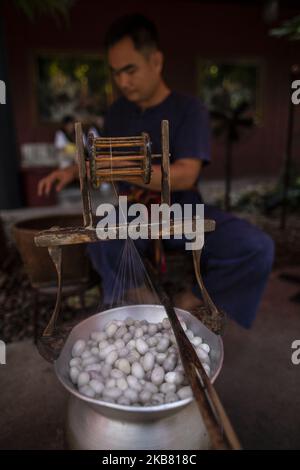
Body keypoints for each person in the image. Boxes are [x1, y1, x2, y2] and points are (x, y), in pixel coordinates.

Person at [38, 14, 274, 328]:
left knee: (255, 247)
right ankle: (147, 308)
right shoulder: (118, 112)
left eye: (130, 69)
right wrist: (73, 170)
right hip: (131, 211)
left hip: (182, 209)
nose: (122, 82)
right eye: (116, 72)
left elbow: (185, 175)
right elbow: (99, 155)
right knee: (102, 237)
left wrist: (109, 169)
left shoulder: (190, 109)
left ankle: (186, 304)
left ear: (156, 61)